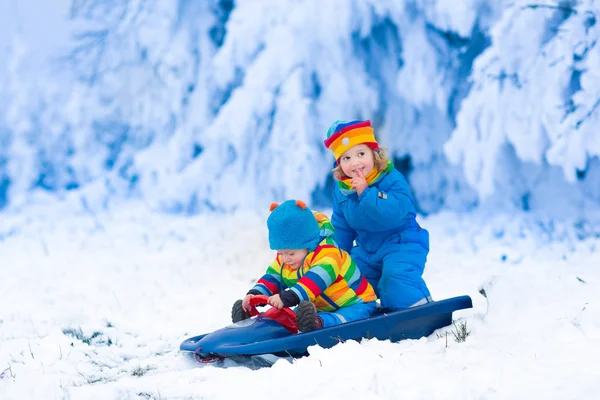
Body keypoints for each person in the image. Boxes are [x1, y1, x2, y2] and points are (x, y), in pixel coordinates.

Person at [323, 119, 433, 310]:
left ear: (374, 155)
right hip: (367, 251)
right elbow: (341, 228)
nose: (355, 162)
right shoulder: (342, 190)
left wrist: (366, 193)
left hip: (402, 244)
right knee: (349, 282)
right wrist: (335, 260)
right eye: (346, 158)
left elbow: (393, 213)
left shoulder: (391, 178)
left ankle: (417, 310)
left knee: (395, 278)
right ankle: (354, 315)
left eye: (361, 154)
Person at [231, 199, 377, 332]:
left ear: (308, 244)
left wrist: (290, 296)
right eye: (280, 253)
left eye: (291, 254)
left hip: (355, 304)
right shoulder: (287, 258)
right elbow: (273, 277)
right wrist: (255, 294)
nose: (285, 259)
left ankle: (318, 323)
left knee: (345, 318)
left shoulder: (328, 254)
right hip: (319, 308)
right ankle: (259, 322)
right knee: (288, 316)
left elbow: (316, 280)